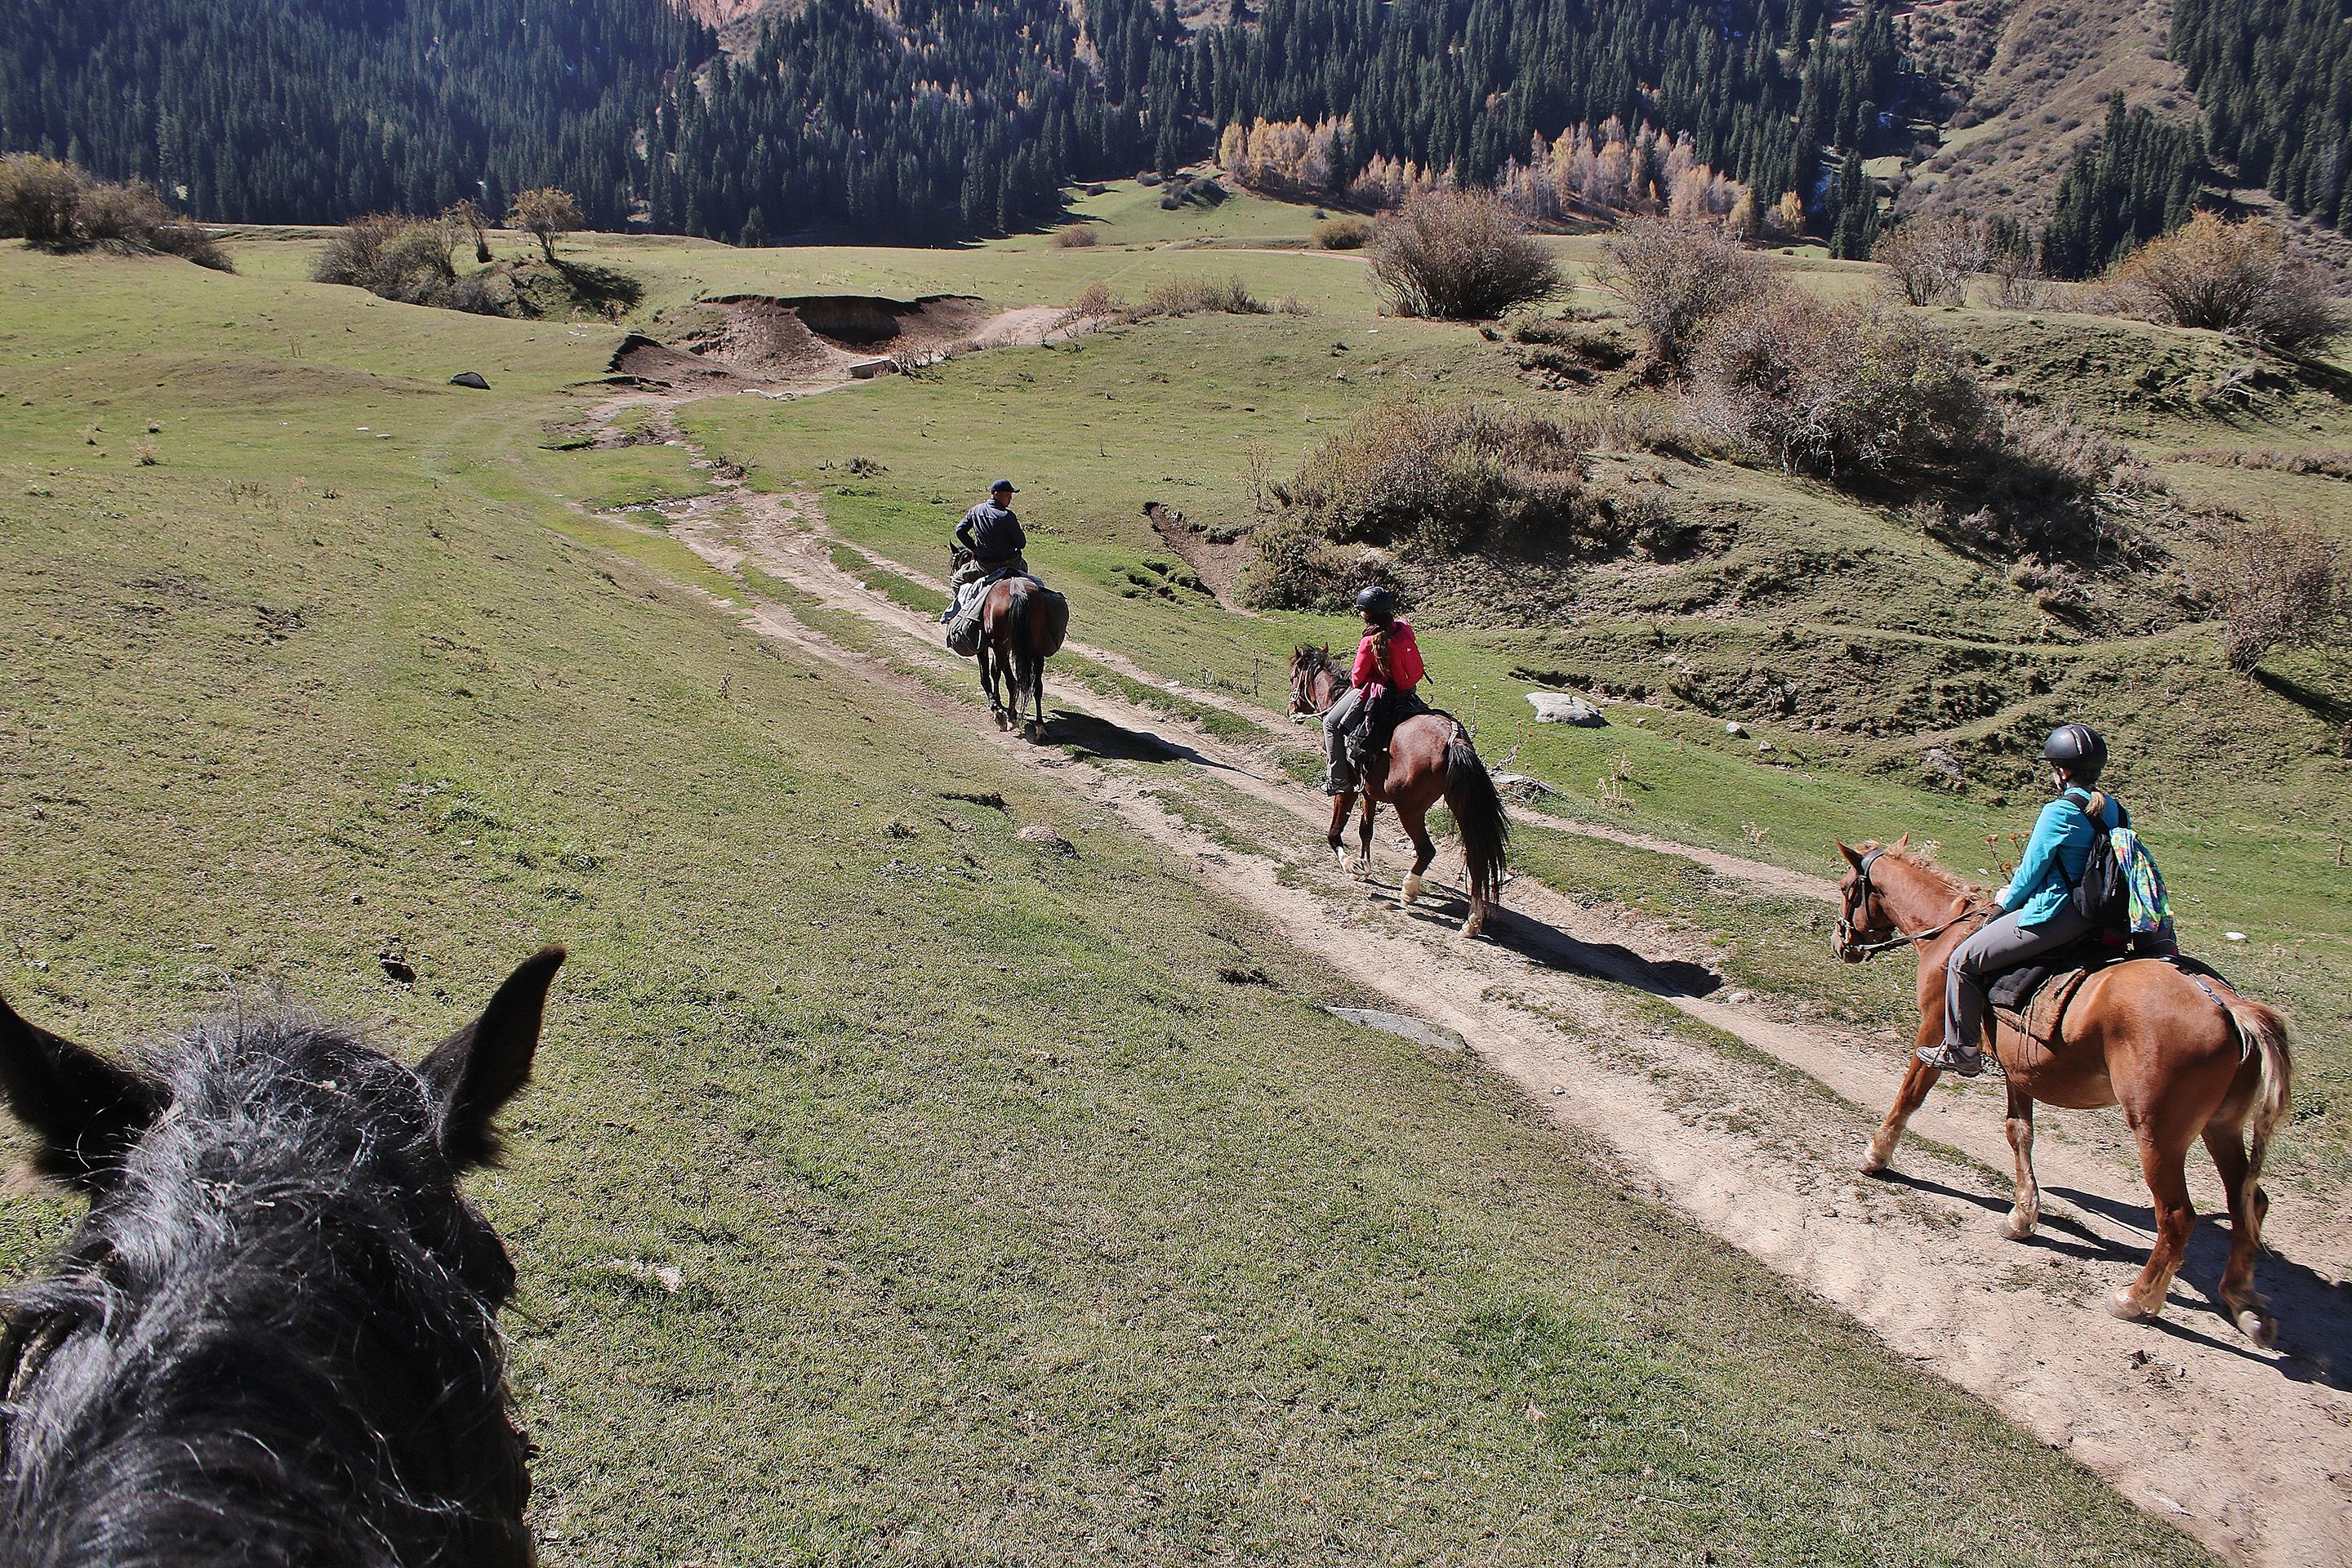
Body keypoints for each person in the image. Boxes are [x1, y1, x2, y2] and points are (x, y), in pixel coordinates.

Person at [1919, 723, 2120, 1077]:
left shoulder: (2059, 812)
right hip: (2101, 913)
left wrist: (2002, 905)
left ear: (2061, 771)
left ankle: (1962, 1049)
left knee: (1962, 960)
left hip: (2057, 912)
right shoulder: (2114, 809)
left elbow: (2030, 872)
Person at [1323, 586, 1426, 795]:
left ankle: (1339, 780)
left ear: (1365, 614)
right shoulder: (1405, 628)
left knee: (1330, 724)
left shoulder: (1368, 641)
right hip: (1408, 691)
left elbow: (1357, 678)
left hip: (1381, 693)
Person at [942, 479, 1028, 623]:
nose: (1010, 498)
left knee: (957, 580)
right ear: (996, 494)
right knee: (1026, 575)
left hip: (985, 567)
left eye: (1010, 494)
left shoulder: (976, 511)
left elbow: (960, 531)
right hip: (1012, 565)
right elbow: (1021, 543)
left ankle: (961, 616)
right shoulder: (1008, 516)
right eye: (1007, 494)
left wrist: (973, 548)